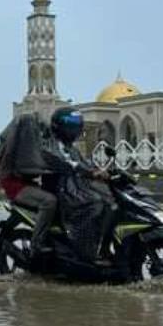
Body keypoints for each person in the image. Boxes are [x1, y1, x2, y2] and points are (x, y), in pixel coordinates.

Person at [43, 107, 115, 263]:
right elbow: (68, 163)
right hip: (63, 190)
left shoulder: (71, 148)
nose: (75, 128)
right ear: (59, 126)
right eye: (71, 124)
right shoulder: (51, 146)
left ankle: (103, 248)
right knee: (94, 204)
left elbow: (84, 162)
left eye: (77, 124)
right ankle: (83, 250)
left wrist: (102, 171)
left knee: (111, 202)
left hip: (77, 187)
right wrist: (90, 172)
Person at [0, 114, 57, 256]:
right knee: (49, 201)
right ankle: (37, 243)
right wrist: (45, 169)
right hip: (15, 186)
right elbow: (29, 165)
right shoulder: (14, 148)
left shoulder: (27, 144)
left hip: (26, 183)